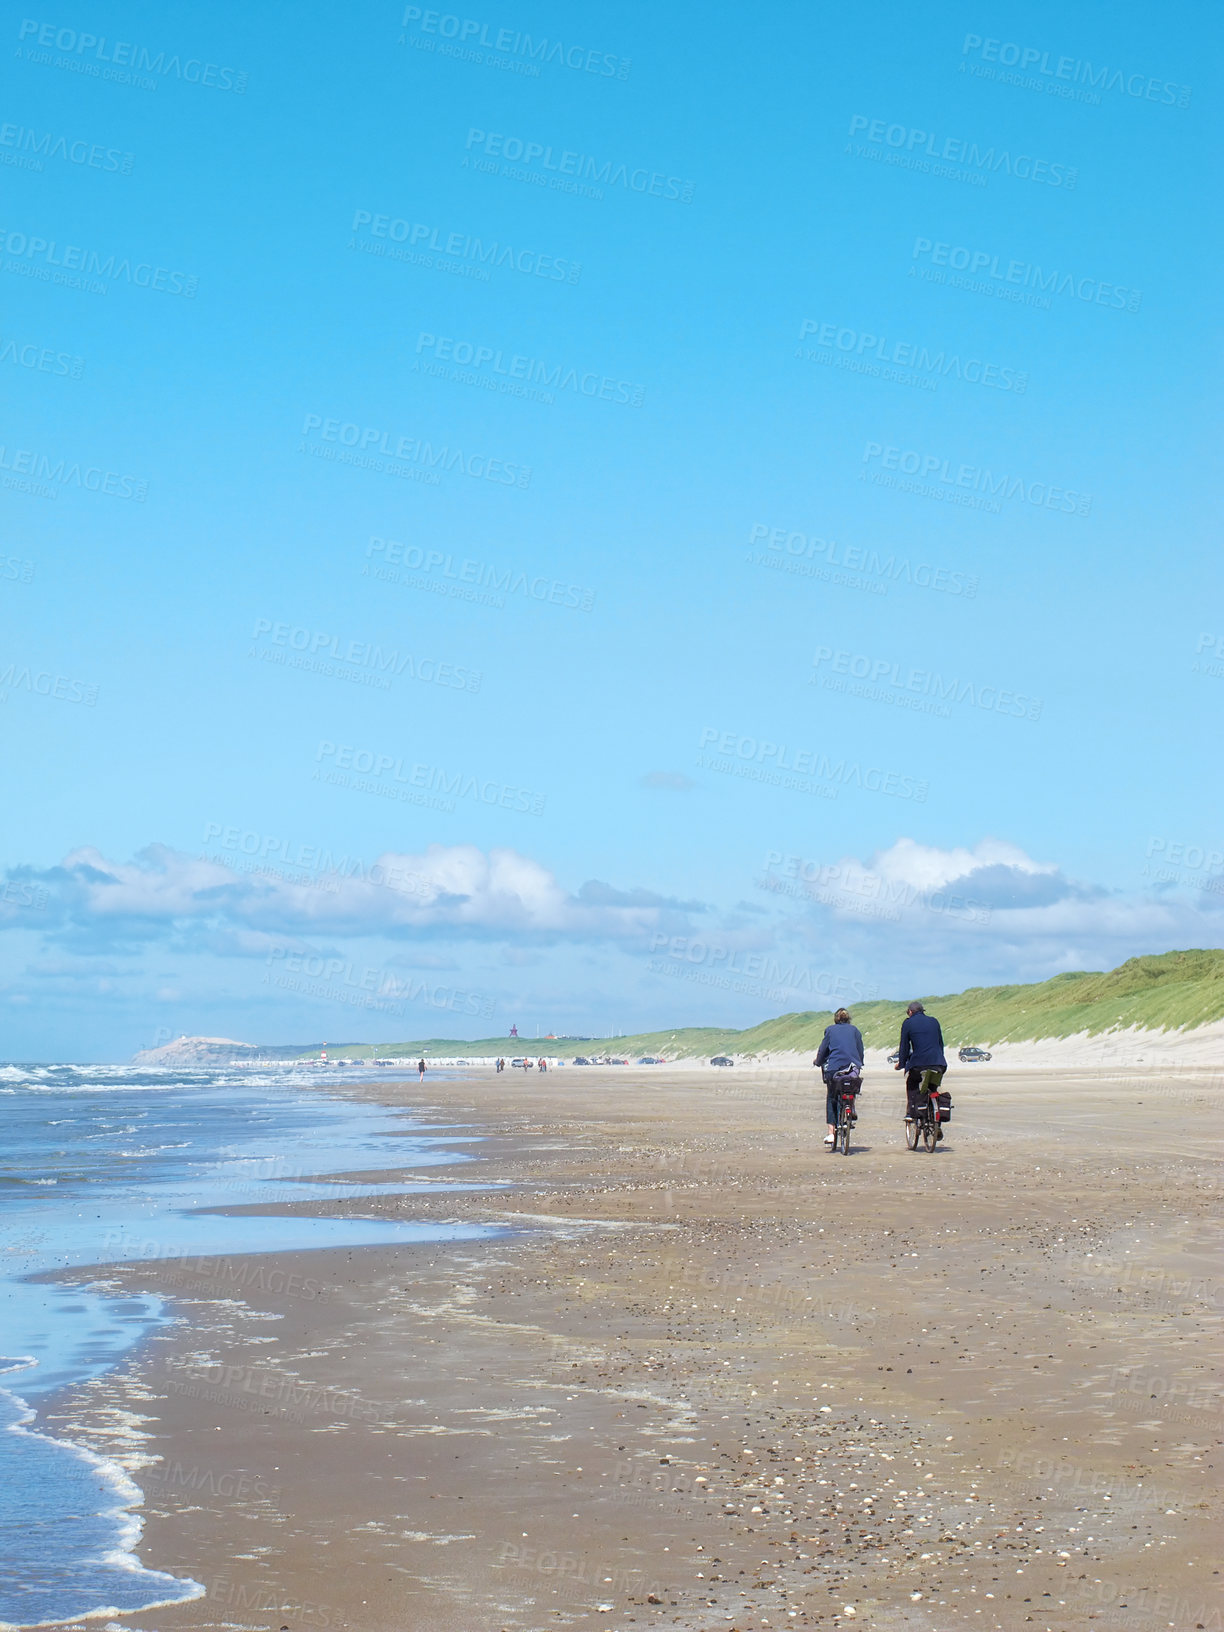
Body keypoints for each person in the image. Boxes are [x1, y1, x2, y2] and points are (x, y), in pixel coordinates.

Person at [894, 1001, 947, 1136]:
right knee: (932, 1088)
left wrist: (901, 1064)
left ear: (910, 1012)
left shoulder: (908, 1023)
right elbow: (940, 1044)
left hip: (919, 1064)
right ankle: (936, 1123)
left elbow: (904, 1046)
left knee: (912, 1084)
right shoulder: (934, 1021)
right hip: (938, 1063)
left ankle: (911, 1113)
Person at [814, 1007, 864, 1146]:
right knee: (850, 1089)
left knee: (831, 1096)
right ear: (848, 1019)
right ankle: (850, 1109)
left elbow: (823, 1049)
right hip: (853, 1066)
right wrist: (860, 1062)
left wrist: (818, 1062)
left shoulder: (830, 1030)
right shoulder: (855, 1030)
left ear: (836, 1019)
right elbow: (860, 1049)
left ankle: (831, 1133)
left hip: (835, 1068)